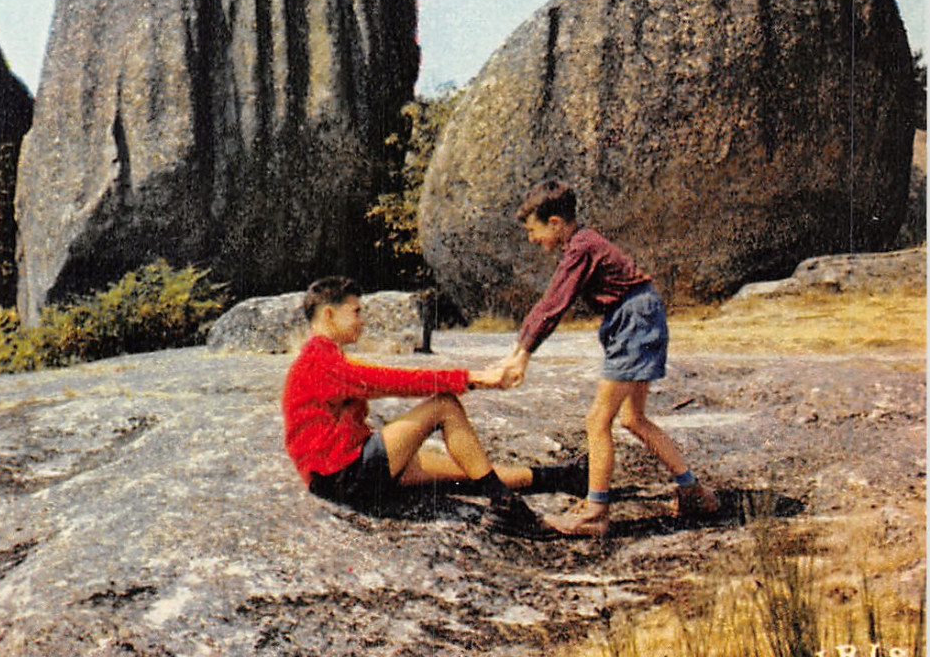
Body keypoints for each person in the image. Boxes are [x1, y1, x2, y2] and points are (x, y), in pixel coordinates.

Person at [282, 276, 585, 537]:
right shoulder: (319, 362)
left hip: (344, 473)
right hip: (345, 474)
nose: (362, 321)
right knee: (444, 405)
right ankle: (507, 507)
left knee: (470, 471)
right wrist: (473, 378)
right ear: (330, 314)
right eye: (357, 312)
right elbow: (394, 381)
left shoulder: (323, 357)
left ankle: (562, 477)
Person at [499, 180, 719, 537]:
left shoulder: (581, 248)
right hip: (639, 318)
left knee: (597, 421)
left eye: (532, 230)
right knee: (633, 419)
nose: (532, 239)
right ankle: (693, 491)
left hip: (634, 322)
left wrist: (523, 353)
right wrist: (517, 350)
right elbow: (553, 303)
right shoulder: (583, 243)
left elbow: (555, 302)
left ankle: (595, 513)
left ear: (555, 222)